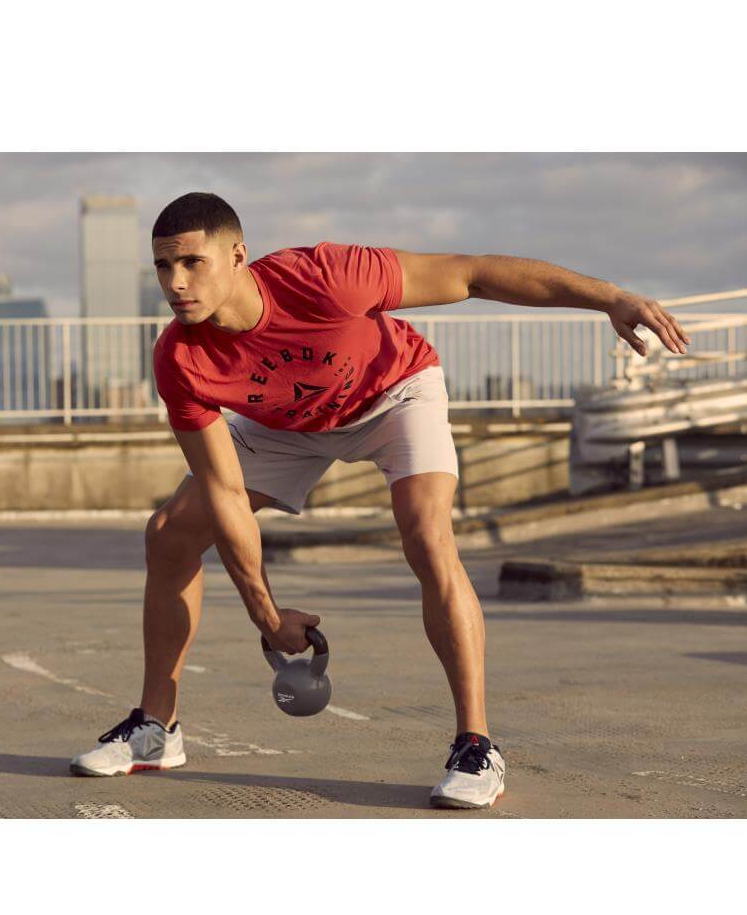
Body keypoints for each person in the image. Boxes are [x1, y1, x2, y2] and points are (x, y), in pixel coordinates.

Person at [70, 191, 691, 809]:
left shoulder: (329, 276)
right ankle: (157, 728)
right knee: (170, 532)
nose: (175, 284)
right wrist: (267, 614)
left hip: (394, 396)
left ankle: (476, 745)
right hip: (287, 423)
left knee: (426, 534)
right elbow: (226, 491)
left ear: (238, 257)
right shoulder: (179, 357)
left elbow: (472, 275)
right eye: (162, 267)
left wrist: (609, 296)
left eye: (191, 263)